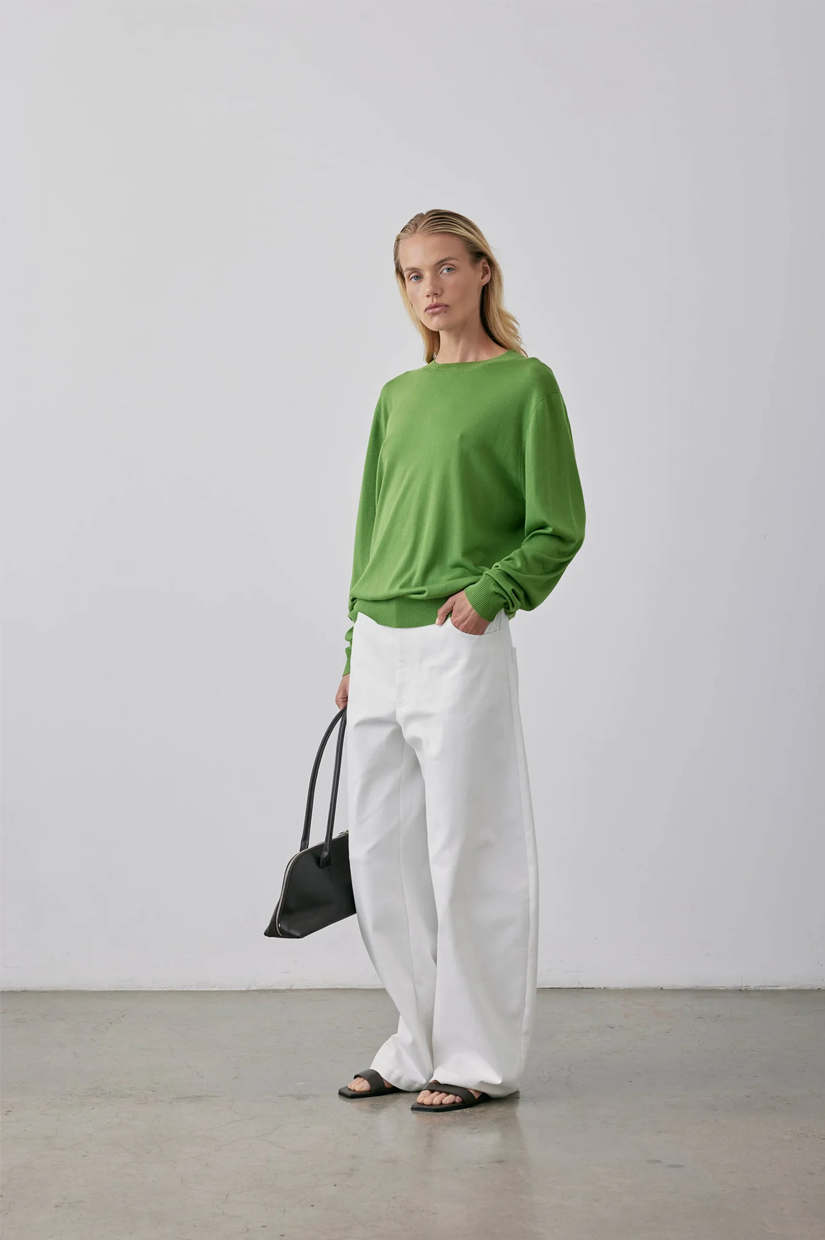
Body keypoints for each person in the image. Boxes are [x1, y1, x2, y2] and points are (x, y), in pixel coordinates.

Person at [334, 209, 586, 1113]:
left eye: (444, 267)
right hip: (381, 640)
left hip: (457, 639)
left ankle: (475, 1059)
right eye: (412, 274)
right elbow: (372, 530)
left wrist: (491, 594)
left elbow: (557, 524)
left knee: (469, 850)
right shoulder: (398, 396)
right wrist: (354, 644)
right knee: (381, 859)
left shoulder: (525, 383)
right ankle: (415, 1044)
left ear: (482, 270)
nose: (428, 288)